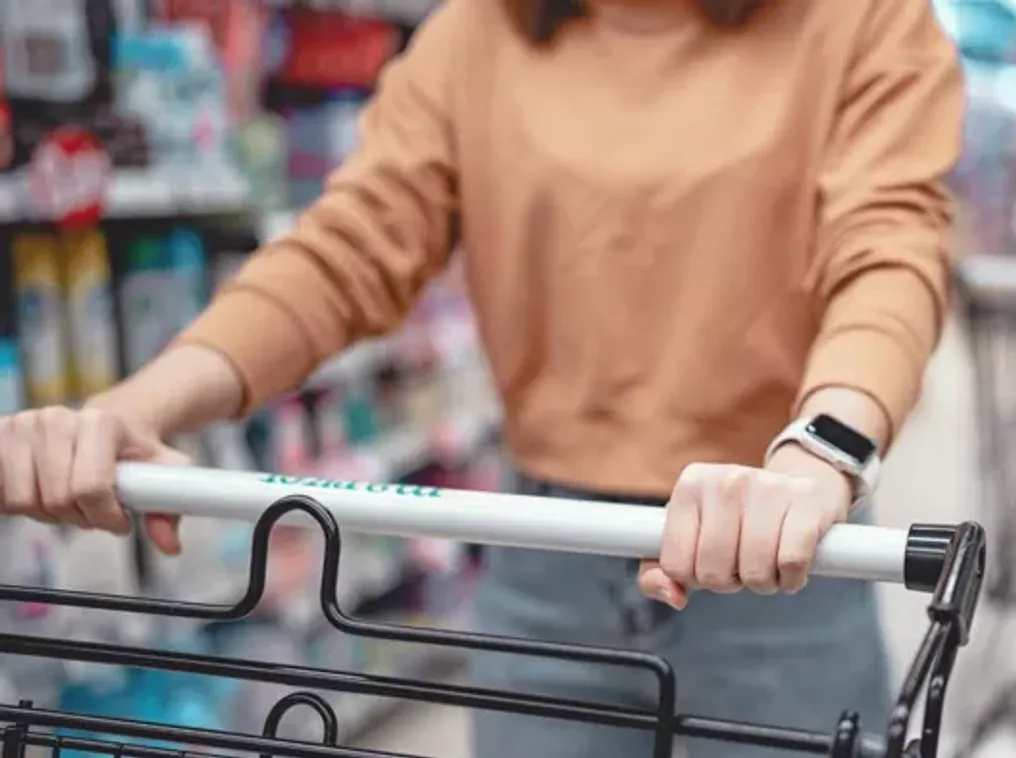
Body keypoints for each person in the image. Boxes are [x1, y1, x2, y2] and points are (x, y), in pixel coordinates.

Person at [0, 0, 963, 755]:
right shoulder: (478, 35)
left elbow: (888, 246)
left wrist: (822, 450)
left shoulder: (859, 17)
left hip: (784, 562)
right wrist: (137, 405)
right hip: (545, 557)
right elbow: (344, 252)